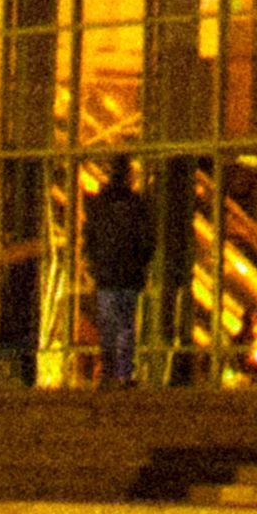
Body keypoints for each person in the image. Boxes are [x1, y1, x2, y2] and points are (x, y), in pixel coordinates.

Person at [83, 159, 156, 389]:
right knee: (125, 324)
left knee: (107, 326)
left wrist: (95, 265)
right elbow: (147, 241)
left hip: (106, 275)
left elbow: (89, 240)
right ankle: (124, 374)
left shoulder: (100, 205)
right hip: (128, 276)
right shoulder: (136, 205)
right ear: (129, 176)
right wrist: (140, 263)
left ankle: (108, 373)